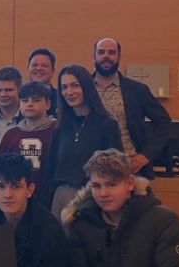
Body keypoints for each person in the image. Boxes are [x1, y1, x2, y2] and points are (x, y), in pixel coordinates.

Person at [43, 65, 123, 219]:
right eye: (64, 87)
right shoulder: (60, 128)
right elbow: (50, 170)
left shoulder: (107, 125)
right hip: (60, 198)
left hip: (93, 199)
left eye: (75, 85)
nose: (69, 92)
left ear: (87, 87)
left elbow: (116, 171)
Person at [92, 37, 173, 176]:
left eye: (111, 52)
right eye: (101, 52)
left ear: (119, 57)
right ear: (94, 56)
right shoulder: (82, 88)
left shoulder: (137, 90)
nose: (106, 56)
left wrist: (146, 155)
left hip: (128, 168)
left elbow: (164, 123)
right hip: (89, 167)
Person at [0, 80, 58, 175]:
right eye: (25, 100)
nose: (29, 104)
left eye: (36, 100)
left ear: (48, 104)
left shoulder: (58, 131)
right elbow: (1, 169)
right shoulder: (10, 135)